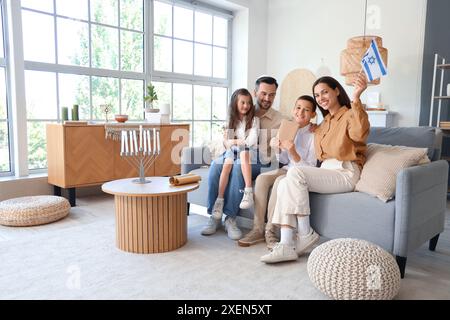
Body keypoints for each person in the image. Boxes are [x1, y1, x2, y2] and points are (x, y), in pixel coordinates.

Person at [260, 73, 369, 263]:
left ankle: (305, 233)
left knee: (294, 172)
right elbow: (305, 131)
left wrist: (356, 98)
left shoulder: (350, 113)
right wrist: (308, 127)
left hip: (345, 171)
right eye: (317, 95)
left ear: (336, 91)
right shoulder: (323, 124)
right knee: (286, 182)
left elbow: (360, 134)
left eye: (325, 92)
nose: (321, 98)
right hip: (326, 171)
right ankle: (286, 243)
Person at [201, 76, 285, 240]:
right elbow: (227, 139)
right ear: (255, 93)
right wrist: (228, 142)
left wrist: (311, 125)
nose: (267, 98)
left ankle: (230, 218)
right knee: (216, 165)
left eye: (272, 94)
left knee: (240, 165)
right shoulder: (244, 109)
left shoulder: (280, 119)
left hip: (260, 160)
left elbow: (296, 126)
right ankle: (214, 215)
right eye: (263, 93)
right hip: (236, 153)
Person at [238, 95, 318, 248]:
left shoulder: (314, 133)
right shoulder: (288, 128)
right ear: (293, 110)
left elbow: (311, 166)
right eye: (298, 108)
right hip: (286, 168)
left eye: (306, 110)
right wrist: (276, 148)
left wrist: (293, 151)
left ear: (313, 115)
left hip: (301, 174)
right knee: (262, 178)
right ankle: (257, 229)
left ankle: (271, 231)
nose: (301, 112)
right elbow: (283, 159)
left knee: (279, 183)